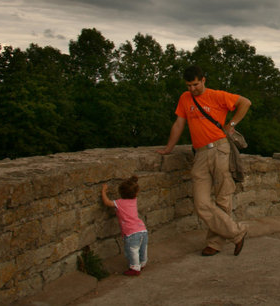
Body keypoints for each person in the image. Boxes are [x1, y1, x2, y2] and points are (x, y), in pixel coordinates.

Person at [157, 65, 250, 257]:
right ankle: (236, 232)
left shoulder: (217, 96)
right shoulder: (185, 98)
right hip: (200, 153)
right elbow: (179, 124)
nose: (192, 89)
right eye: (189, 85)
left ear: (203, 80)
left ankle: (214, 243)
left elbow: (246, 103)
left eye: (195, 84)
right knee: (201, 203)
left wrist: (231, 125)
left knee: (223, 198)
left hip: (219, 149)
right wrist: (169, 148)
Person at [101, 176, 148, 276]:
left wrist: (104, 191)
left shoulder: (119, 203)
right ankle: (142, 262)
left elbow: (107, 202)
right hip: (142, 229)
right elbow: (133, 190)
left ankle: (135, 268)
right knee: (143, 248)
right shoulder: (134, 200)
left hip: (131, 232)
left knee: (132, 250)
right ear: (135, 193)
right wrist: (133, 182)